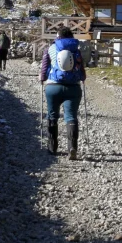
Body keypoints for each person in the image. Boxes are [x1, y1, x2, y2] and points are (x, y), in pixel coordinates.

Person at [38, 27, 86, 159]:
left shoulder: (50, 49)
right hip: (73, 88)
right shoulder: (76, 48)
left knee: (52, 115)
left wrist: (42, 78)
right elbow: (82, 68)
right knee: (71, 117)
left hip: (53, 87)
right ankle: (72, 148)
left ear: (58, 36)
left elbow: (44, 67)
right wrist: (82, 78)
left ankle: (52, 148)